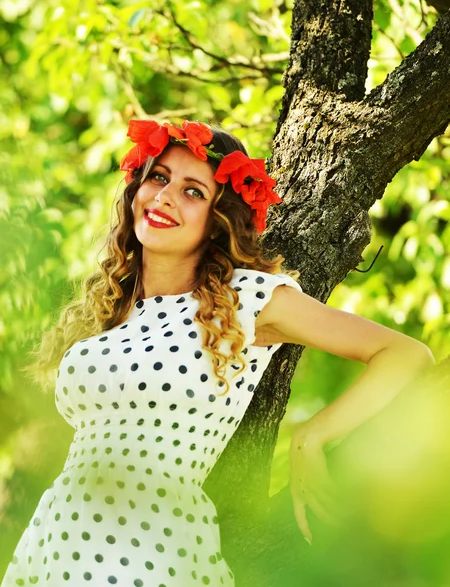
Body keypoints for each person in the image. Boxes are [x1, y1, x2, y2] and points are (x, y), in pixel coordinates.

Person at [1, 119, 435, 586]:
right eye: (159, 177)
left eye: (193, 192)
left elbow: (403, 353)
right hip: (54, 542)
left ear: (218, 219)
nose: (165, 196)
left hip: (148, 551)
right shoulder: (114, 310)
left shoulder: (246, 298)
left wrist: (314, 435)